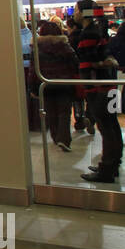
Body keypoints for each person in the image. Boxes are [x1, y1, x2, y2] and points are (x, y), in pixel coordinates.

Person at [70, 0, 123, 182]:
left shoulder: (89, 33)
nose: (73, 13)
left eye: (76, 9)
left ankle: (107, 169)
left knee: (107, 127)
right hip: (107, 85)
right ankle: (112, 164)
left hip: (98, 87)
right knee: (112, 126)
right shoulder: (98, 30)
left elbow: (90, 59)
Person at [34, 20, 80, 152]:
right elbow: (75, 63)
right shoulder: (64, 46)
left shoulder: (37, 48)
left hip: (46, 84)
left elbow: (33, 70)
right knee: (64, 112)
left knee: (51, 112)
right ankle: (64, 139)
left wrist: (33, 87)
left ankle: (56, 137)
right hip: (64, 83)